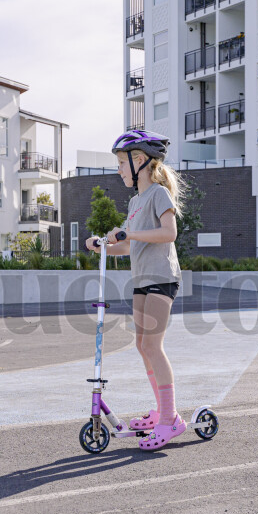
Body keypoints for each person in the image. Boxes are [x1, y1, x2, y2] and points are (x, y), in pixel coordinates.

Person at [85, 130, 186, 451]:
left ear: (139, 160)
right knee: (143, 346)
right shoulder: (135, 201)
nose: (119, 170)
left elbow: (168, 233)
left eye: (121, 163)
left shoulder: (157, 193)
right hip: (142, 278)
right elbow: (130, 246)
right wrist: (101, 246)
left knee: (154, 347)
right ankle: (161, 411)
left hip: (161, 276)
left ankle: (170, 420)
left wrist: (129, 233)